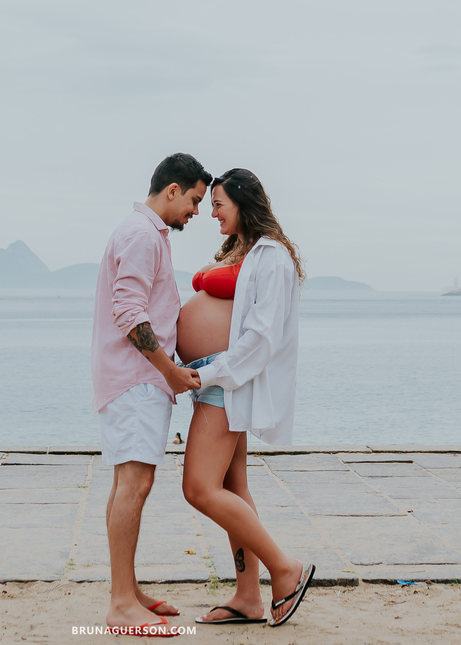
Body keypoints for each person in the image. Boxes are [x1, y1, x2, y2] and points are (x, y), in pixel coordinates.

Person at [177, 168, 316, 627]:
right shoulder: (248, 250)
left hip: (225, 381)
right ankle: (247, 597)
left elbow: (261, 339)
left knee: (198, 488)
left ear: (242, 201)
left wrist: (206, 376)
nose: (211, 212)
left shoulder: (272, 257)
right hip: (216, 378)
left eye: (218, 204)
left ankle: (285, 569)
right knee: (233, 487)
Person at [91, 153, 211, 634]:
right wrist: (172, 371)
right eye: (196, 201)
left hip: (131, 379)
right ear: (173, 190)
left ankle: (127, 589)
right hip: (137, 380)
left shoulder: (142, 233)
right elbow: (129, 311)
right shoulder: (142, 235)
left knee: (127, 483)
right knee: (135, 485)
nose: (196, 213)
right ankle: (121, 605)